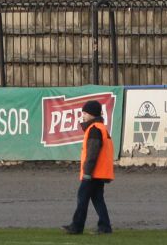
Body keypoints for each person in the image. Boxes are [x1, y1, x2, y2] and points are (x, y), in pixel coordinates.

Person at [62, 100, 114, 235]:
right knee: (97, 200)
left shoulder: (94, 129)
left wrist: (87, 172)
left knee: (82, 197)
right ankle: (105, 226)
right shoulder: (101, 128)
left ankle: (77, 226)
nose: (83, 116)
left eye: (85, 113)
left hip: (93, 173)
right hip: (100, 173)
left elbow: (92, 153)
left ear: (92, 114)